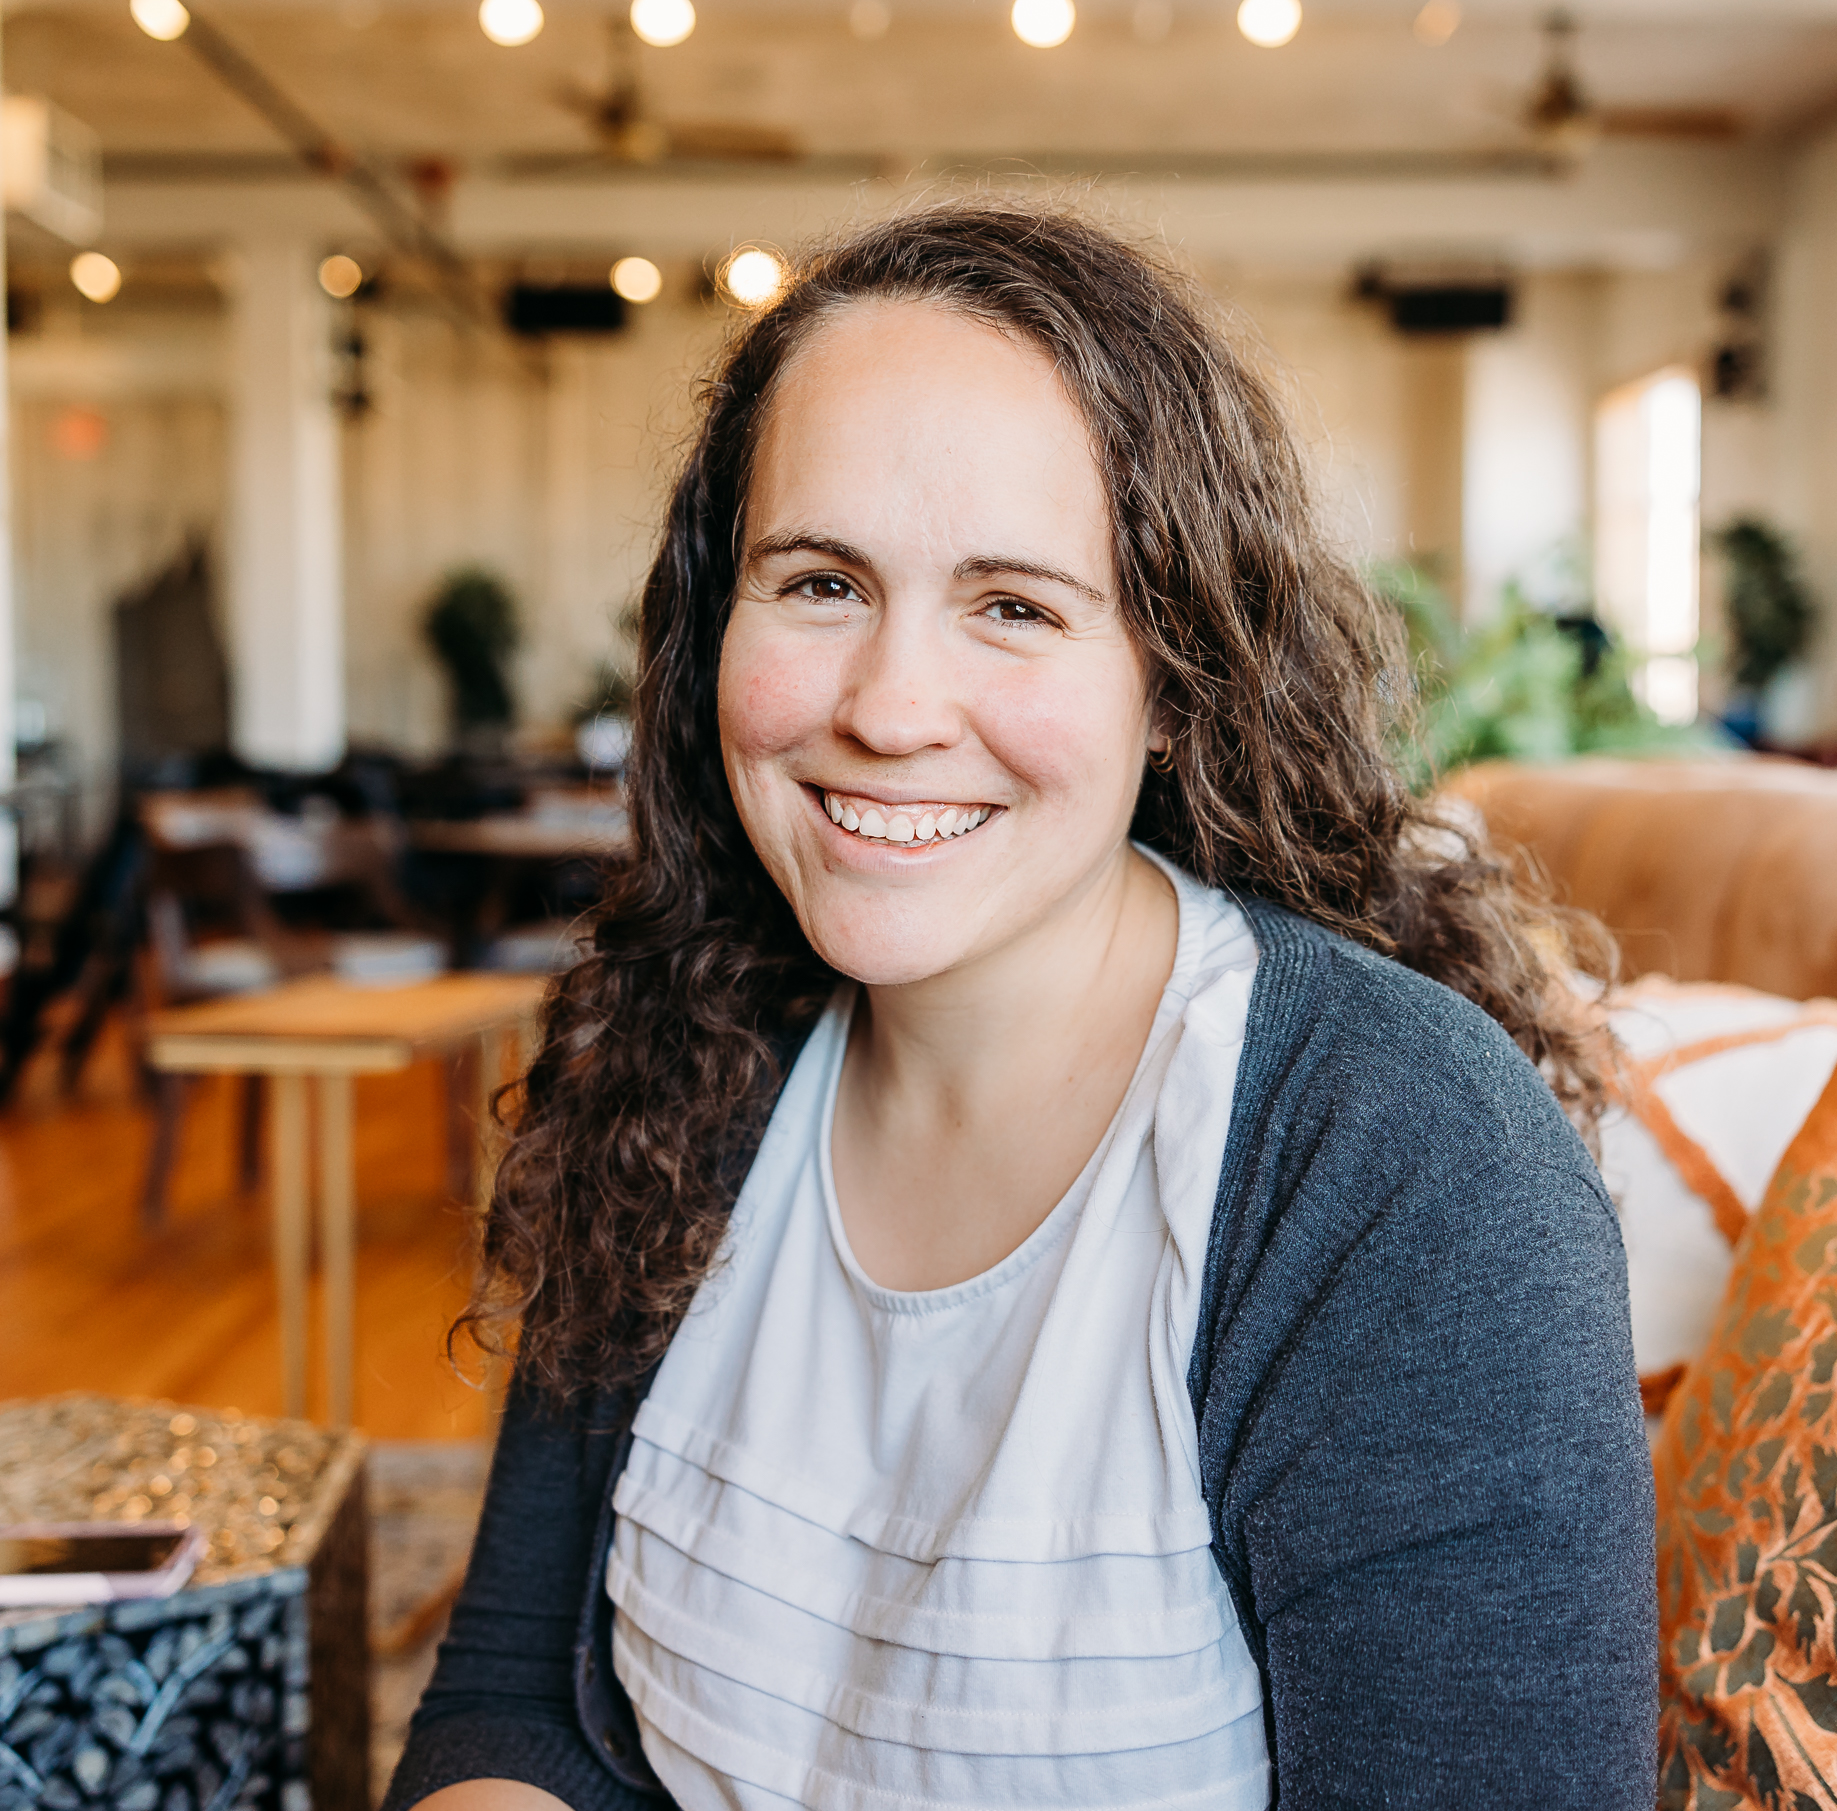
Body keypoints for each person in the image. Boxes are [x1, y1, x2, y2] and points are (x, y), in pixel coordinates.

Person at [387, 202, 1656, 1811]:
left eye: (1016, 605)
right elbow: (517, 1703)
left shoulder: (1401, 1171)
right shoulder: (675, 1052)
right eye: (822, 582)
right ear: (716, 628)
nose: (891, 709)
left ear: (1176, 682)